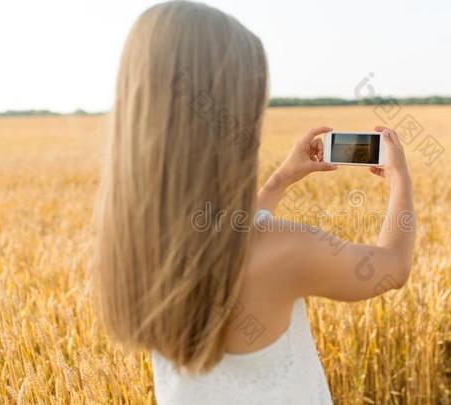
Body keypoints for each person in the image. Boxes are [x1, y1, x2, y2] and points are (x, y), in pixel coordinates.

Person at [90, 1, 415, 404]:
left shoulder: (134, 245)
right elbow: (393, 268)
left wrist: (280, 181)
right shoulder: (288, 250)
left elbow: (227, 236)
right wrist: (400, 180)